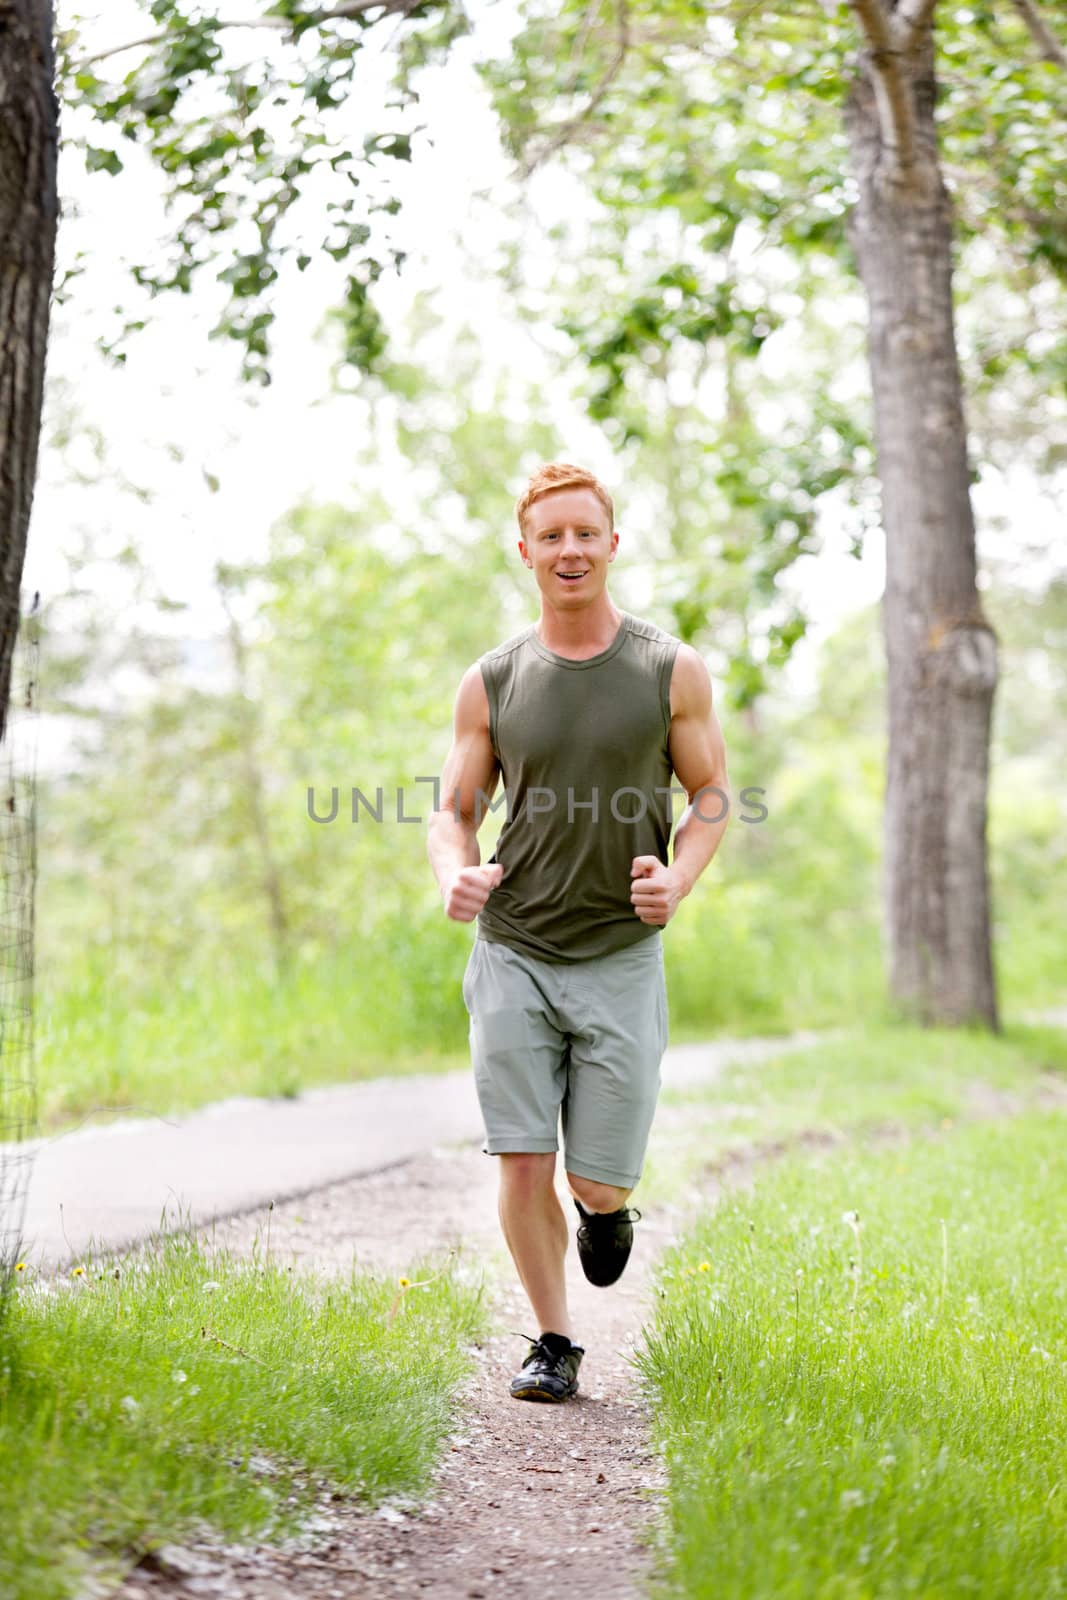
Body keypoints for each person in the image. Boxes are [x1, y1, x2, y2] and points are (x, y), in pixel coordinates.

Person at [427, 462, 730, 1403]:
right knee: (522, 1157)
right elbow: (452, 810)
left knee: (595, 1181)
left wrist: (675, 880)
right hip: (513, 947)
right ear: (524, 552)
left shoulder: (666, 670)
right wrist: (457, 872)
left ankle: (605, 1214)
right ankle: (553, 1341)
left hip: (618, 956)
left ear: (610, 543)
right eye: (549, 536)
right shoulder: (492, 681)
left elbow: (712, 796)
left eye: (584, 533)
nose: (568, 550)